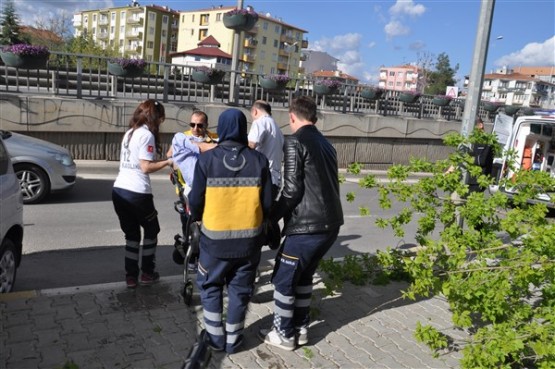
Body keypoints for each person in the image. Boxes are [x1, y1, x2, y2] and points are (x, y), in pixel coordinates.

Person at [259, 96, 344, 350]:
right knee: (304, 275)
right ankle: (301, 328)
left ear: (292, 116)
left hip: (308, 226)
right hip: (330, 225)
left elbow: (292, 190)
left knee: (284, 279)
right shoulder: (327, 144)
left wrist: (269, 218)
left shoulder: (294, 141)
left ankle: (284, 334)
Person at [188, 108, 272, 354]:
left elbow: (195, 202)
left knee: (211, 286)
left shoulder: (207, 160)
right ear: (243, 128)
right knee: (240, 290)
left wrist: (197, 218)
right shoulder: (259, 161)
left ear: (222, 129)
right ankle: (234, 340)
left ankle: (215, 339)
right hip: (249, 243)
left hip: (214, 243)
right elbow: (267, 203)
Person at [112, 99, 173, 289]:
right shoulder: (146, 135)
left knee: (131, 235)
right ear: (155, 117)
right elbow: (145, 167)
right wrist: (167, 162)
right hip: (138, 193)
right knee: (152, 230)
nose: (161, 123)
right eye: (161, 119)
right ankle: (147, 273)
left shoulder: (130, 133)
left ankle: (131, 277)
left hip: (119, 190)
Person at [248, 100, 284, 200]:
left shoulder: (259, 122)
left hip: (262, 179)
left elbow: (251, 144)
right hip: (275, 179)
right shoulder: (276, 127)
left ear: (255, 111)